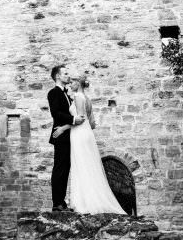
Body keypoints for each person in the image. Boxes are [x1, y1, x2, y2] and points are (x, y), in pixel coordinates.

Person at [52, 76, 126, 214]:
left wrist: (63, 128)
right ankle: (88, 199)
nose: (70, 84)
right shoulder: (87, 98)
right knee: (86, 165)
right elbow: (92, 123)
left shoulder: (79, 97)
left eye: (73, 82)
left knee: (81, 166)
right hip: (84, 133)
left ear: (78, 84)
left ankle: (84, 203)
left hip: (79, 133)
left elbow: (80, 119)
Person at [47, 64, 85, 212]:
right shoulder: (53, 93)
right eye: (65, 73)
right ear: (57, 76)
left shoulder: (67, 94)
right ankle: (57, 203)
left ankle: (62, 202)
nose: (68, 76)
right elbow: (56, 113)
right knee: (59, 168)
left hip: (69, 135)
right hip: (60, 135)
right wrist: (74, 119)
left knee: (66, 168)